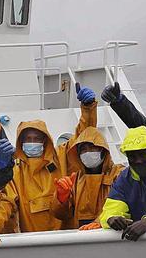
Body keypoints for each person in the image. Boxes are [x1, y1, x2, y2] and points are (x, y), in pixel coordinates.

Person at [0, 85, 99, 234]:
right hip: (34, 241)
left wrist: (88, 108)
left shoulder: (61, 157)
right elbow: (6, 203)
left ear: (45, 141)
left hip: (68, 237)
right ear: (21, 143)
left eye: (36, 138)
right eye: (28, 139)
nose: (32, 142)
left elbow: (84, 136)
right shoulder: (15, 172)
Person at [51, 94, 125, 229]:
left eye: (93, 147)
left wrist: (100, 221)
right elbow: (61, 215)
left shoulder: (118, 173)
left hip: (109, 234)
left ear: (103, 150)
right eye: (83, 149)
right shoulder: (75, 180)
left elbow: (123, 203)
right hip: (80, 237)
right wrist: (61, 198)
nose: (88, 152)